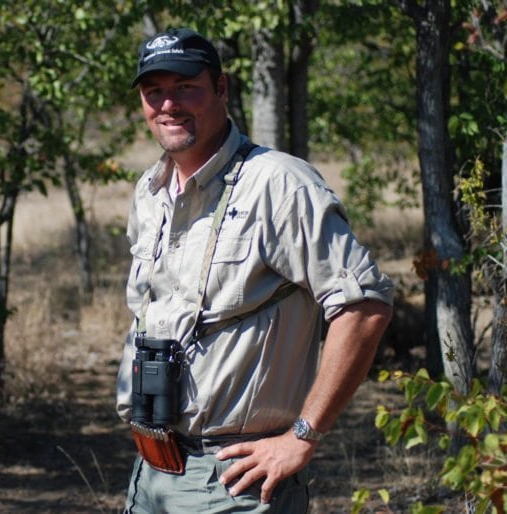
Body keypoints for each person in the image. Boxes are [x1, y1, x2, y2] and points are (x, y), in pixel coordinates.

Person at [116, 27, 394, 513]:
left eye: (185, 87)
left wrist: (302, 437)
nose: (168, 105)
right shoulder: (151, 190)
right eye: (154, 91)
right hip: (152, 474)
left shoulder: (279, 183)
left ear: (221, 89)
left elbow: (364, 306)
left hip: (237, 483)